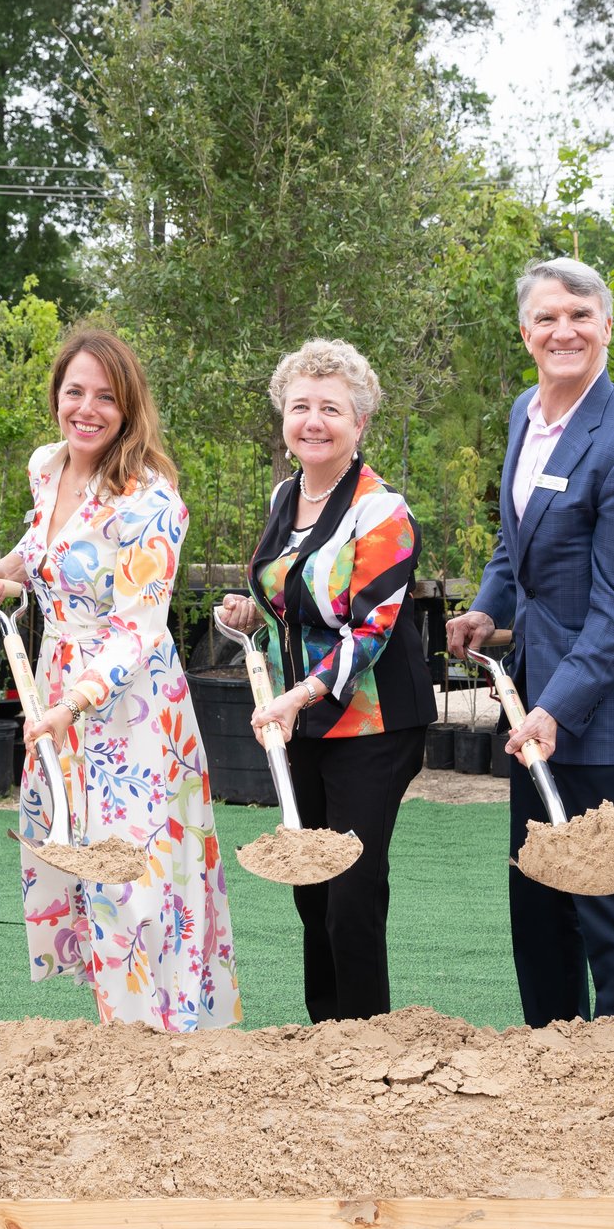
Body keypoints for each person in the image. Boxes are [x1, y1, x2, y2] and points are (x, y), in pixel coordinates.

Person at [0, 326, 238, 1032]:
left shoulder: (150, 502)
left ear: (129, 407)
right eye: (74, 391)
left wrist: (74, 703)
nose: (87, 409)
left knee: (134, 877)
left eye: (105, 397)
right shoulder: (46, 466)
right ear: (56, 394)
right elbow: (46, 547)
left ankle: (165, 1036)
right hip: (58, 688)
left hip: (129, 706)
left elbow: (139, 629)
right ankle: (116, 1031)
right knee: (81, 864)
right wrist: (6, 571)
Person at [446, 259, 614, 1027]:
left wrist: (558, 707)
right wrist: (489, 607)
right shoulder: (527, 414)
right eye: (547, 317)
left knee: (606, 894)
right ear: (525, 333)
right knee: (540, 886)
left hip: (597, 709)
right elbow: (518, 544)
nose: (564, 330)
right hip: (535, 692)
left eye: (580, 314)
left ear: (606, 326)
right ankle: (549, 1049)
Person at [214, 340, 432, 1021]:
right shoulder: (287, 494)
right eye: (300, 405)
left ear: (359, 423)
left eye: (330, 408)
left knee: (352, 888)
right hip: (299, 717)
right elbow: (292, 590)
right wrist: (253, 609)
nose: (313, 421)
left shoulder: (384, 512)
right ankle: (326, 1032)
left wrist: (298, 693)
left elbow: (370, 631)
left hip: (371, 721)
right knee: (311, 885)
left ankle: (366, 1041)